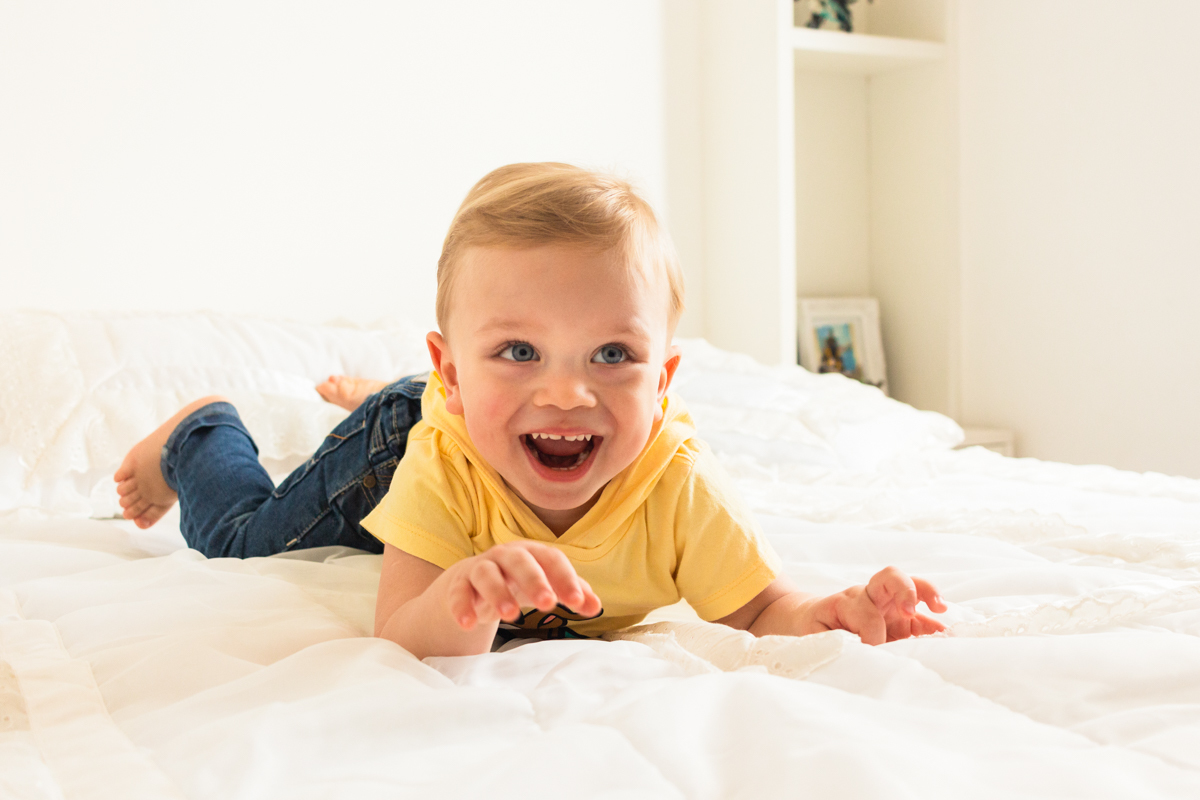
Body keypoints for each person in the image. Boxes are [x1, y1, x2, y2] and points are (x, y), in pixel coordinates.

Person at [114, 162, 946, 658]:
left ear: (664, 380)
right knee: (246, 542)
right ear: (453, 366)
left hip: (470, 410)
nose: (566, 394)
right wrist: (460, 600)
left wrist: (835, 614)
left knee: (490, 404)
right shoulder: (441, 467)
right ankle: (204, 432)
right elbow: (401, 629)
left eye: (612, 356)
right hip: (405, 440)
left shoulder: (679, 488)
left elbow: (763, 608)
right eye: (519, 352)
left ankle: (403, 385)